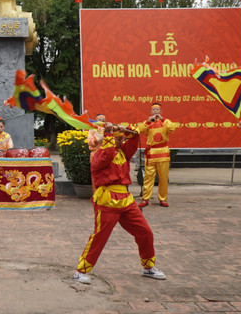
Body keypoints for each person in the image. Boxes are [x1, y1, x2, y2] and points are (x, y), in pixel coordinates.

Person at [73, 121, 166, 284]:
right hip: (107, 201)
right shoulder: (98, 154)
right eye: (117, 138)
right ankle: (81, 271)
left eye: (120, 138)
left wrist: (127, 130)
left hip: (126, 200)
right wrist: (109, 133)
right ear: (105, 139)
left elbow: (134, 139)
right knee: (100, 237)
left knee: (145, 232)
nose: (120, 140)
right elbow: (108, 154)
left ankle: (148, 267)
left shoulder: (122, 152)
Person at [135, 103, 179, 208]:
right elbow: (139, 130)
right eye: (153, 110)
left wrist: (163, 119)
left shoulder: (165, 122)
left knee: (163, 178)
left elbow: (173, 128)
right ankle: (145, 198)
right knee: (148, 178)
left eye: (157, 110)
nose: (155, 111)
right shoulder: (148, 123)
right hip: (151, 154)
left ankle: (163, 199)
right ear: (151, 112)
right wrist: (147, 121)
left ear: (160, 112)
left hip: (163, 153)